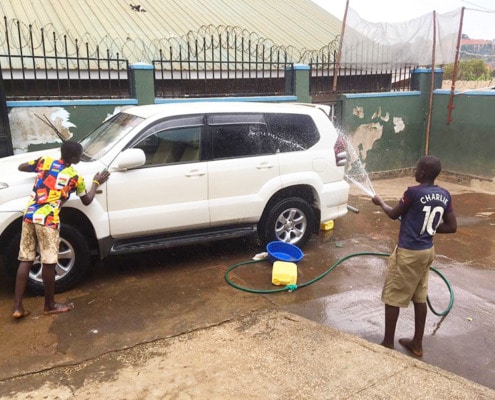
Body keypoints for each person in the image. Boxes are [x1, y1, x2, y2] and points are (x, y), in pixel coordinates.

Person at [12, 140, 110, 319]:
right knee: (49, 262)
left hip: (30, 215)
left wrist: (40, 170)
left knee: (25, 259)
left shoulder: (45, 162)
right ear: (74, 158)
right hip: (48, 220)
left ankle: (18, 307)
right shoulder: (75, 178)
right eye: (79, 155)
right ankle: (49, 305)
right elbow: (87, 200)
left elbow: (22, 167)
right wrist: (96, 182)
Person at [371, 155, 457, 357]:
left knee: (393, 296)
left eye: (417, 169)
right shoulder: (444, 194)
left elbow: (393, 214)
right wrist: (428, 230)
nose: (414, 171)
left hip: (409, 252)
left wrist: (380, 202)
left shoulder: (413, 193)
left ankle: (387, 343)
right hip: (427, 251)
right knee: (420, 296)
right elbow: (452, 226)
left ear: (423, 173)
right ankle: (417, 343)